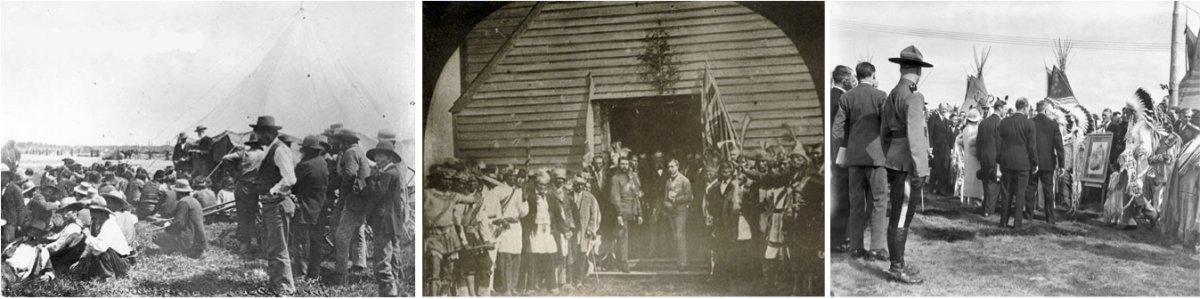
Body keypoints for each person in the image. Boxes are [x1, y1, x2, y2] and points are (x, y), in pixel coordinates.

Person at [880, 45, 932, 284]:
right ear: (918, 71)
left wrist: (889, 156)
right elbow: (916, 135)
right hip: (908, 164)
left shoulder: (892, 93)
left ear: (901, 67)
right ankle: (896, 267)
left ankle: (897, 263)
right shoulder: (913, 96)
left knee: (898, 215)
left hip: (895, 160)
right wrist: (921, 168)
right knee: (901, 217)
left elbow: (884, 132)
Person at [831, 61, 890, 261]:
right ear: (872, 75)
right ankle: (876, 247)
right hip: (876, 158)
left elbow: (837, 130)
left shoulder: (847, 97)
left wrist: (838, 155)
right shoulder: (881, 96)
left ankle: (856, 246)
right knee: (879, 202)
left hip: (853, 158)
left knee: (856, 203)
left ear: (857, 75)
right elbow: (887, 127)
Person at [248, 115, 298, 294]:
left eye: (260, 133)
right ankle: (276, 283)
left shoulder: (279, 150)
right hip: (271, 205)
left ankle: (285, 288)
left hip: (277, 204)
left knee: (278, 247)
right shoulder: (271, 149)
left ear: (270, 133)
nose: (258, 137)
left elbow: (290, 179)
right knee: (272, 246)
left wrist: (273, 191)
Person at [365, 139, 411, 296]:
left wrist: (370, 179)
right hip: (391, 222)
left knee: (382, 259)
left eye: (380, 156)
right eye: (376, 156)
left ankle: (389, 292)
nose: (377, 159)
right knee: (389, 256)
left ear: (389, 158)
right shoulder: (392, 172)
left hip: (384, 222)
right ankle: (393, 287)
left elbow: (377, 193)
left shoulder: (388, 174)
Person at [331, 128, 372, 284]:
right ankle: (359, 264)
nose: (338, 144)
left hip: (353, 201)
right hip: (363, 201)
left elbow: (349, 174)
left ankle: (341, 274)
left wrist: (343, 194)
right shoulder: (360, 152)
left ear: (344, 141)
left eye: (339, 140)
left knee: (341, 236)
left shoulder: (350, 153)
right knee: (358, 231)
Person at [291, 135, 330, 280]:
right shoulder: (323, 163)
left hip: (305, 206)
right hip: (320, 207)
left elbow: (293, 184)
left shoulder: (304, 165)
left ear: (305, 150)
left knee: (300, 242)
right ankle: (314, 274)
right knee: (316, 242)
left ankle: (301, 273)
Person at [997, 98, 1038, 229]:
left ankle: (1003, 222)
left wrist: (999, 159)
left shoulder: (1004, 122)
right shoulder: (1029, 124)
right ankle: (1017, 223)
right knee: (1020, 194)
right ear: (1025, 108)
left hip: (1007, 162)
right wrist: (1035, 162)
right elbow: (1032, 146)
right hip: (1023, 164)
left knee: (1006, 194)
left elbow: (999, 143)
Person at [524, 169, 566, 292]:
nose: (542, 187)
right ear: (536, 184)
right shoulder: (530, 197)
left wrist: (564, 229)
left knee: (550, 258)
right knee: (533, 258)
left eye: (544, 185)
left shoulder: (551, 197)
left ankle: (552, 285)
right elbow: (526, 215)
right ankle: (531, 286)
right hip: (535, 230)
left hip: (548, 230)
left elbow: (558, 215)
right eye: (540, 184)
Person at [829, 65, 856, 252]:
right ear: (845, 80)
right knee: (841, 198)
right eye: (851, 78)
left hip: (833, 154)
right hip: (840, 154)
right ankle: (838, 239)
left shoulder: (831, 96)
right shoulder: (842, 100)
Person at [492, 169, 528, 295]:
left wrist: (524, 199)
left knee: (516, 257)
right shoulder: (498, 190)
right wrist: (501, 220)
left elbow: (524, 213)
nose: (513, 178)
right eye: (510, 176)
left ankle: (513, 286)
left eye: (514, 176)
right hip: (504, 227)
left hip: (516, 227)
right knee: (504, 257)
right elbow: (493, 209)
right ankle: (506, 287)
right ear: (505, 176)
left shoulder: (519, 191)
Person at [1029, 100, 1064, 224]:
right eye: (1048, 110)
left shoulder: (1030, 123)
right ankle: (1050, 217)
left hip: (1032, 162)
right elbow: (1059, 146)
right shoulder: (1053, 125)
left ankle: (1029, 215)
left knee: (1031, 188)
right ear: (1044, 110)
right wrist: (1062, 164)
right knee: (1048, 190)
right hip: (1048, 162)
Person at [152, 179, 205, 258]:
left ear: (178, 192)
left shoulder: (183, 202)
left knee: (156, 236)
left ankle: (178, 250)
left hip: (189, 242)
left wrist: (168, 229)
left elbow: (178, 223)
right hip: (199, 243)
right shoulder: (194, 200)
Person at [565, 176, 599, 287]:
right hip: (572, 230)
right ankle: (569, 279)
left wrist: (590, 228)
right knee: (571, 253)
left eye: (582, 185)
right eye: (577, 184)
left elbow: (594, 215)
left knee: (582, 253)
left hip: (584, 230)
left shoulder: (589, 197)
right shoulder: (568, 197)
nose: (579, 187)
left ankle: (579, 279)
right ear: (573, 185)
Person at [609, 157, 642, 273]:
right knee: (622, 238)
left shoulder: (633, 178)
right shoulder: (615, 178)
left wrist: (639, 213)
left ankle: (625, 260)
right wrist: (619, 214)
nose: (624, 166)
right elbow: (615, 197)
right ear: (618, 165)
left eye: (626, 164)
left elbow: (636, 196)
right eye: (622, 164)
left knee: (629, 238)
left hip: (632, 212)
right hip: (622, 213)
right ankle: (623, 263)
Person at [976, 97, 1005, 217]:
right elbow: (999, 143)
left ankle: (985, 208)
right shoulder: (1000, 123)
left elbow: (978, 142)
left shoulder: (983, 122)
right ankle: (988, 210)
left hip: (984, 158)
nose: (1005, 111)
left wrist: (979, 156)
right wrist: (1000, 161)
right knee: (993, 185)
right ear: (1000, 108)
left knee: (986, 184)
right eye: (1005, 108)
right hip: (994, 159)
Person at [662, 159, 693, 271]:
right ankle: (679, 259)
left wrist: (676, 200)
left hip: (681, 211)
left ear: (678, 166)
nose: (670, 169)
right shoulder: (668, 181)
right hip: (671, 212)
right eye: (669, 167)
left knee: (680, 235)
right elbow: (665, 197)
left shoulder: (685, 180)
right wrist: (666, 205)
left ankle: (683, 262)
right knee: (675, 236)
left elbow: (689, 197)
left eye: (673, 166)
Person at [957, 109, 984, 204]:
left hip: (967, 156)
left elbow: (959, 141)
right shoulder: (976, 130)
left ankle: (965, 198)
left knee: (968, 178)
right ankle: (974, 199)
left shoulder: (965, 129)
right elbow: (972, 142)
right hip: (974, 157)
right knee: (975, 179)